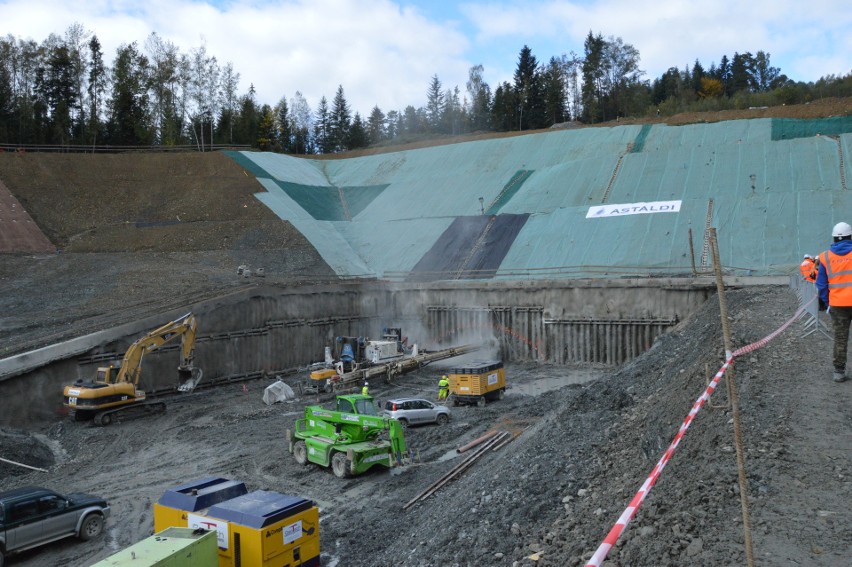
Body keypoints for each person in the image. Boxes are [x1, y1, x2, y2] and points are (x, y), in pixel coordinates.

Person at [816, 221, 852, 383]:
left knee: (840, 337)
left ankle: (839, 371)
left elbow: (821, 285)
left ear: (834, 238)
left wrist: (827, 301)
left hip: (838, 304)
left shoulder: (825, 257)